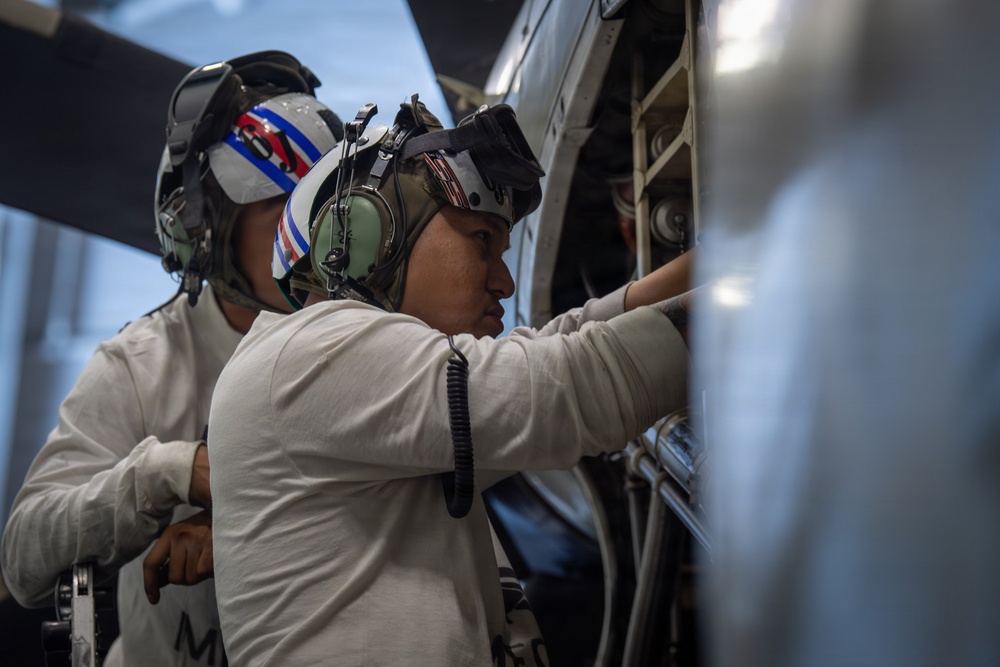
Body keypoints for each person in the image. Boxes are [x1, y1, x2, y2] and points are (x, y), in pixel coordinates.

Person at [208, 97, 693, 666]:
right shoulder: (314, 349)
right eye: (482, 240)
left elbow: (557, 345)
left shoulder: (345, 384)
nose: (505, 283)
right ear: (365, 236)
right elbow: (567, 384)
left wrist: (725, 266)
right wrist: (769, 299)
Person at [0, 51, 343, 666]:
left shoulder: (368, 342)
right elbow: (25, 557)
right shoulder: (139, 364)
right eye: (282, 210)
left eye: (324, 211)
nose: (314, 240)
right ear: (205, 230)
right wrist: (167, 474)